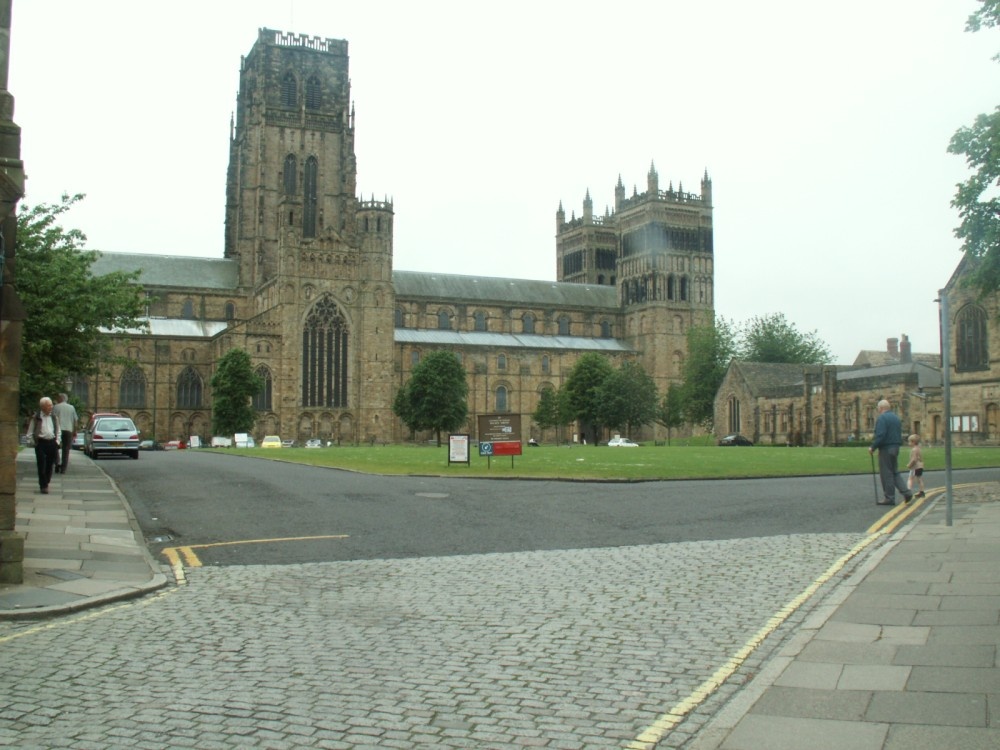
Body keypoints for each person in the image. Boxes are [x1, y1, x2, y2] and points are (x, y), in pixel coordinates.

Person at [868, 399, 912, 506]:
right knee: (894, 471)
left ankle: (889, 497)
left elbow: (881, 435)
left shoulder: (882, 418)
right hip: (895, 447)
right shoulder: (896, 418)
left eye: (878, 408)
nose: (878, 410)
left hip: (886, 448)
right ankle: (906, 492)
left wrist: (873, 447)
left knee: (886, 473)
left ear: (881, 408)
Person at [25, 396, 61, 495]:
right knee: (41, 465)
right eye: (49, 405)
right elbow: (30, 432)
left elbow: (58, 430)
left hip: (52, 443)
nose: (51, 407)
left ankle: (46, 481)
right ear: (43, 407)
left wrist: (57, 441)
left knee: (50, 465)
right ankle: (43, 486)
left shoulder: (54, 417)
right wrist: (33, 443)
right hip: (41, 443)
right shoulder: (36, 417)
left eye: (51, 405)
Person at [52, 392, 78, 475]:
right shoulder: (71, 407)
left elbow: (52, 419)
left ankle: (57, 463)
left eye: (58, 398)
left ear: (61, 398)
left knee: (55, 447)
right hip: (68, 430)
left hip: (57, 430)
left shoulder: (56, 407)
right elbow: (75, 420)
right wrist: (75, 431)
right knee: (66, 450)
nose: (57, 399)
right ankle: (63, 468)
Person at [906, 433, 926, 500]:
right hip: (920, 466)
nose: (908, 443)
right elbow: (920, 458)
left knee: (910, 479)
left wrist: (909, 465)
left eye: (909, 442)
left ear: (913, 442)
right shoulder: (919, 448)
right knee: (919, 479)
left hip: (915, 467)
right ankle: (922, 492)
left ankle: (908, 492)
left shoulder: (914, 450)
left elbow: (914, 459)